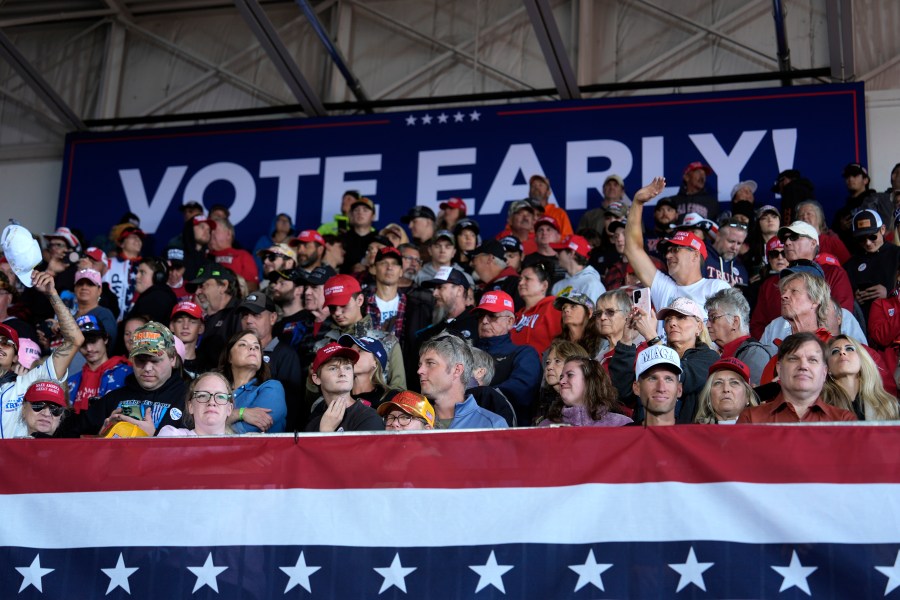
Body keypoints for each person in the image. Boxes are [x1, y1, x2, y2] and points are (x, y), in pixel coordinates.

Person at [625, 177, 730, 320]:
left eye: (675, 250)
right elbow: (633, 249)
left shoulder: (716, 288)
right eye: (668, 251)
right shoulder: (664, 287)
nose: (668, 255)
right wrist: (637, 202)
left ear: (695, 255)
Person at [0, 271, 84, 440]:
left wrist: (51, 294)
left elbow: (75, 340)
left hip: (15, 465)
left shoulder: (28, 384)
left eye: (6, 343)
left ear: (16, 357)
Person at [750, 220, 854, 338]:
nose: (787, 243)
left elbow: (842, 316)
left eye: (794, 237)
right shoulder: (770, 284)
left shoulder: (834, 273)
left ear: (813, 243)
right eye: (785, 240)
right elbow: (758, 325)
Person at [80, 321, 186, 437]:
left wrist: (154, 437)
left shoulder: (189, 400)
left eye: (155, 360)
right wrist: (101, 435)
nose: (147, 368)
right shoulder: (113, 398)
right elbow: (69, 433)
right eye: (140, 360)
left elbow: (197, 451)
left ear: (172, 359)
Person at [630, 296, 718, 423]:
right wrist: (626, 340)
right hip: (645, 432)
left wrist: (651, 336)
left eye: (681, 317)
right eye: (667, 320)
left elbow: (680, 377)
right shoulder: (651, 353)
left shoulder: (709, 357)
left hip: (685, 437)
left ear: (699, 326)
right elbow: (624, 392)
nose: (672, 323)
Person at [738, 332, 857, 423]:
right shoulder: (751, 419)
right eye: (793, 359)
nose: (803, 366)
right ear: (779, 368)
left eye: (812, 360)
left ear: (824, 372)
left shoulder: (844, 421)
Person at [316, 274, 406, 390]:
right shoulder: (323, 346)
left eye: (343, 305)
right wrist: (311, 383)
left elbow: (400, 391)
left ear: (360, 300)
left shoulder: (387, 341)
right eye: (332, 307)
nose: (337, 313)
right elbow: (312, 400)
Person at [473, 290, 542, 425]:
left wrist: (477, 394)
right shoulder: (465, 352)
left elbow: (521, 391)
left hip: (510, 433)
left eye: (492, 316)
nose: (485, 321)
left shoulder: (524, 354)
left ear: (510, 321)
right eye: (480, 315)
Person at [417, 333, 508, 429]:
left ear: (457, 370)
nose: (419, 371)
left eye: (430, 363)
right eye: (420, 365)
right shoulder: (409, 422)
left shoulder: (492, 425)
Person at [238, 292, 302, 426]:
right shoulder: (233, 353)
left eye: (256, 315)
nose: (248, 320)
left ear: (273, 318)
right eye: (244, 315)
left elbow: (292, 405)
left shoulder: (286, 355)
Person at [305, 342, 384, 432]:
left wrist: (326, 431)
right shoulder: (313, 424)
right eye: (333, 368)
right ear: (316, 379)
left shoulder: (369, 418)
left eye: (347, 368)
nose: (342, 373)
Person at [219, 330, 286, 434]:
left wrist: (217, 422)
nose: (252, 348)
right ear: (229, 357)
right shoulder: (216, 391)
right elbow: (197, 423)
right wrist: (240, 413)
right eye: (243, 344)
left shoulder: (272, 388)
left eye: (257, 347)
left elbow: (244, 432)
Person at [704, 288, 773, 386]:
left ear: (735, 322)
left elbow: (757, 397)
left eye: (713, 318)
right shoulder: (719, 354)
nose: (707, 325)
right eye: (708, 319)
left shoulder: (755, 354)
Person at [539, 355, 631, 427]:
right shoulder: (546, 426)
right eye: (561, 377)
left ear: (590, 380)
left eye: (570, 375)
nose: (561, 381)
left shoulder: (621, 424)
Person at [823, 335, 899, 421]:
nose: (842, 352)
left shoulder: (888, 405)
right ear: (828, 368)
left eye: (849, 349)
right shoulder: (821, 407)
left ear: (862, 360)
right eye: (835, 351)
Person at [67, 315, 132, 413]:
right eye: (83, 343)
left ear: (105, 338)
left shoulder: (128, 374)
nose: (89, 349)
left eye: (93, 341)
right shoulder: (70, 382)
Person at [845, 209, 900, 320]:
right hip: (864, 322)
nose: (868, 243)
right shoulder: (850, 264)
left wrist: (890, 293)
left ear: (883, 230)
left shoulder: (897, 254)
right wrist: (854, 299)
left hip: (893, 320)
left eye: (872, 237)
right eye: (861, 239)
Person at [192, 263, 242, 368]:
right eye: (196, 287)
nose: (197, 292)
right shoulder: (204, 318)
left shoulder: (240, 312)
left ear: (223, 286)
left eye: (202, 286)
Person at [158, 372, 235, 437]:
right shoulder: (171, 436)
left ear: (229, 409)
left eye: (220, 396)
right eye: (202, 395)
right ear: (190, 406)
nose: (211, 402)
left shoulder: (241, 445)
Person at [511, 261, 561, 354]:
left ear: (544, 285)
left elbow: (562, 343)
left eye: (527, 279)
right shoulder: (517, 315)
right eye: (520, 279)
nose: (521, 283)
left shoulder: (553, 308)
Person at [338, 334, 397, 410]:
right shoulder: (336, 398)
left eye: (359, 351)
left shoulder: (392, 399)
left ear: (375, 362)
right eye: (350, 352)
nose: (351, 356)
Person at [694, 357, 759, 424]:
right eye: (718, 383)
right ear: (709, 396)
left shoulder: (763, 431)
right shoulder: (692, 433)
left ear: (747, 396)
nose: (726, 389)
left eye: (734, 382)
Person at [631, 344, 683, 427]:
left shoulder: (694, 437)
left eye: (668, 379)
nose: (661, 388)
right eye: (652, 378)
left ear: (679, 389)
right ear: (637, 388)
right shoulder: (622, 437)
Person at [536, 339, 586, 423]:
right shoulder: (543, 400)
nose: (549, 367)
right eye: (548, 362)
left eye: (557, 361)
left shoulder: (585, 403)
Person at [470, 239, 523, 311]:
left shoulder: (517, 284)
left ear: (489, 259)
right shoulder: (480, 288)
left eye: (474, 258)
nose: (471, 264)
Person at [104, 225, 144, 319]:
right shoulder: (109, 262)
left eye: (139, 238)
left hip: (135, 321)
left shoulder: (146, 266)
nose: (137, 240)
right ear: (121, 244)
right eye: (133, 237)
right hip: (110, 319)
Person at [549, 234, 605, 301]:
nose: (556, 255)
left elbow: (596, 311)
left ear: (572, 254)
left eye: (559, 251)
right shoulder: (557, 286)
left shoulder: (592, 285)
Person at [209, 217, 259, 290]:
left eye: (215, 230)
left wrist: (230, 291)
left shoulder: (243, 255)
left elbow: (252, 286)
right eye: (210, 231)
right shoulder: (204, 256)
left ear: (228, 234)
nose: (211, 234)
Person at [795, 200, 851, 264]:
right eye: (801, 215)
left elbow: (848, 266)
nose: (804, 217)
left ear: (819, 218)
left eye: (809, 214)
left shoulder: (832, 242)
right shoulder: (794, 244)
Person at [127, 257, 177, 324]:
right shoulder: (159, 295)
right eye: (138, 272)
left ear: (158, 277)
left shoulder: (155, 299)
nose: (137, 276)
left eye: (142, 272)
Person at [72, 268, 117, 340]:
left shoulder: (104, 315)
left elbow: (106, 345)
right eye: (80, 284)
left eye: (90, 284)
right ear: (75, 289)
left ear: (99, 290)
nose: (84, 287)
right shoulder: (70, 317)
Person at [703, 219, 749, 286]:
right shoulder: (701, 258)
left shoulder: (742, 270)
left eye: (739, 243)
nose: (734, 247)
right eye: (731, 241)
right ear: (718, 236)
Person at [169, 300, 207, 376]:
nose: (185, 326)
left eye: (192, 321)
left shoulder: (207, 367)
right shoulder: (162, 362)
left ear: (201, 328)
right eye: (179, 321)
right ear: (172, 327)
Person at [341, 196, 378, 274]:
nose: (360, 213)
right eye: (356, 210)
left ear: (373, 216)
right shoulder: (341, 239)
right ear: (351, 215)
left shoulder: (379, 240)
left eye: (365, 210)